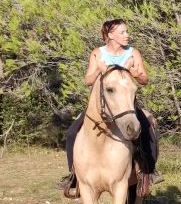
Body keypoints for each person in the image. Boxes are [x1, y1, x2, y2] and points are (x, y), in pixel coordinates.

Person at [57, 18, 161, 190]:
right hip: (102, 106)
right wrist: (99, 69)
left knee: (147, 129)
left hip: (126, 105)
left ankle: (149, 171)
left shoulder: (133, 53)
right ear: (111, 35)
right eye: (123, 32)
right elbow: (88, 81)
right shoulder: (98, 53)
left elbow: (145, 80)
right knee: (71, 134)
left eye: (126, 31)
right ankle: (74, 175)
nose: (127, 35)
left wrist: (135, 73)